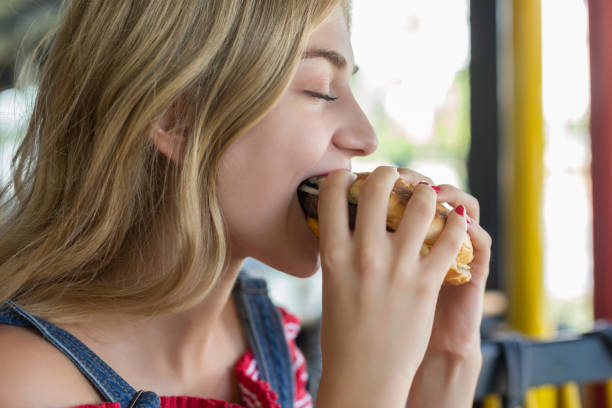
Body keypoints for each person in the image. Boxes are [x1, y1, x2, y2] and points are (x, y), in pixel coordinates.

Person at [0, 1, 492, 407]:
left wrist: (442, 362)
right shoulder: (22, 382)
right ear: (176, 119)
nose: (366, 137)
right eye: (321, 90)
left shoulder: (268, 345)